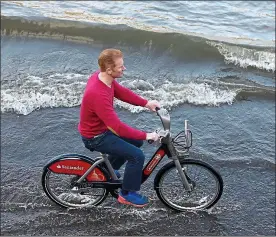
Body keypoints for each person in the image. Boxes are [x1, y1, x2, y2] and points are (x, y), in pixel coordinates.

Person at [78, 48, 160, 207]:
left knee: (135, 143)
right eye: (120, 66)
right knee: (137, 155)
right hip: (96, 137)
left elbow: (122, 92)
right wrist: (147, 135)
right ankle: (127, 193)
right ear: (109, 70)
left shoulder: (102, 78)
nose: (124, 68)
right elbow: (117, 128)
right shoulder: (98, 94)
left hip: (101, 130)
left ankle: (106, 170)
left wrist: (146, 103)